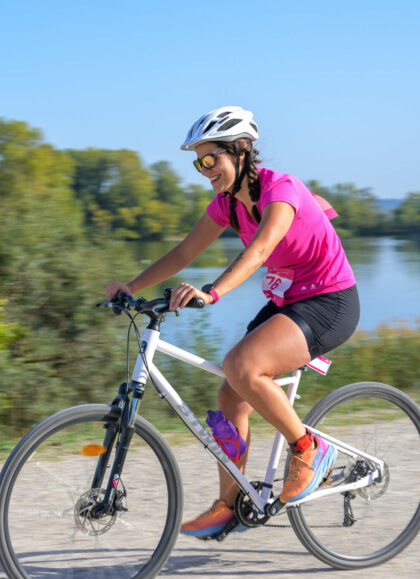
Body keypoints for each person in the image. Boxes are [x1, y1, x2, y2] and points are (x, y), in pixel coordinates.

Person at [105, 106, 359, 539]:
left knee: (243, 366)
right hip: (288, 301)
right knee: (231, 391)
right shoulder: (227, 205)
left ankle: (309, 451)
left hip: (329, 301)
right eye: (199, 162)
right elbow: (183, 252)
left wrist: (212, 291)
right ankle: (231, 504)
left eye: (211, 159)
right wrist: (129, 286)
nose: (205, 171)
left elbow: (258, 252)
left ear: (241, 153)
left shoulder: (282, 191)